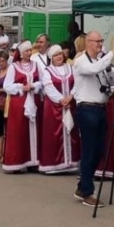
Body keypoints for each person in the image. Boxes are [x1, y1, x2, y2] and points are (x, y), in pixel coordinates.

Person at [73, 31, 114, 207]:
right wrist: (113, 52)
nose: (100, 44)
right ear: (88, 42)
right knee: (89, 150)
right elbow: (93, 70)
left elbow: (113, 80)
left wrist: (109, 66)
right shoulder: (81, 61)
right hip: (87, 109)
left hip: (101, 108)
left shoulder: (100, 61)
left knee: (100, 150)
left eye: (101, 41)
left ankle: (83, 185)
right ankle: (88, 192)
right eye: (97, 41)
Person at [38, 44, 80, 175]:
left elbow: (78, 82)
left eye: (60, 54)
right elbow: (48, 87)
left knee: (72, 132)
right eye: (55, 55)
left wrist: (71, 96)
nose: (58, 57)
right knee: (54, 134)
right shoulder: (47, 71)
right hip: (54, 108)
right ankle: (54, 164)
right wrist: (62, 100)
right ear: (51, 57)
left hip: (71, 105)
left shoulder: (71, 68)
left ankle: (71, 163)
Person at [1, 40, 42, 173]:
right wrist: (21, 87)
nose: (29, 53)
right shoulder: (14, 67)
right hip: (19, 103)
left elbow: (42, 81)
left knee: (34, 130)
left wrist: (34, 86)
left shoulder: (36, 65)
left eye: (30, 50)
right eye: (26, 51)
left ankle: (34, 161)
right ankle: (17, 162)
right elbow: (7, 86)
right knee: (19, 131)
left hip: (34, 101)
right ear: (21, 52)